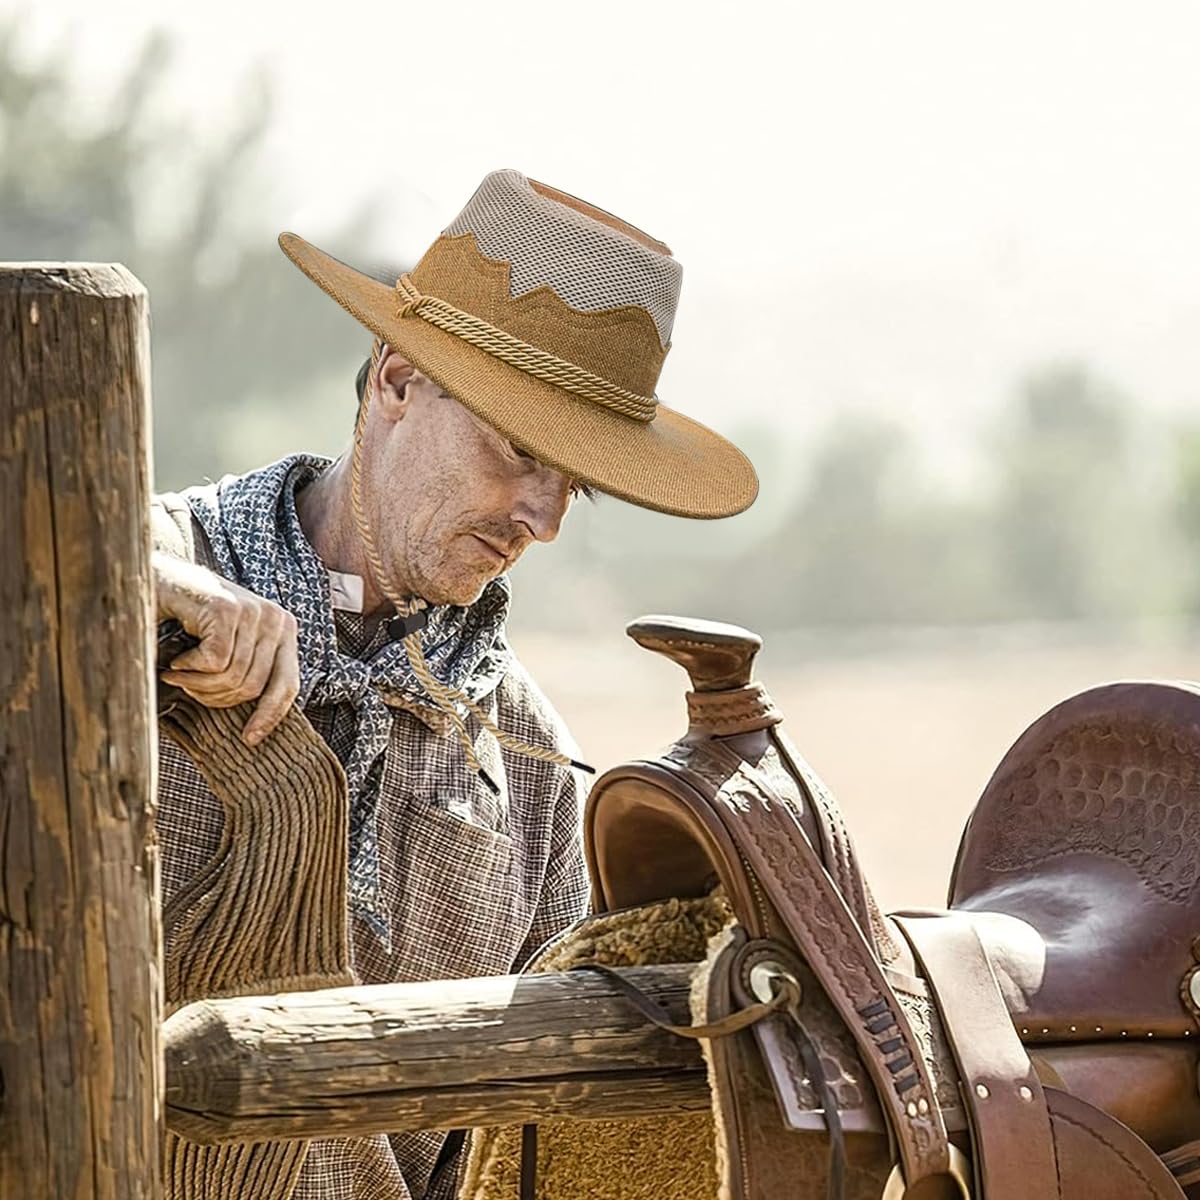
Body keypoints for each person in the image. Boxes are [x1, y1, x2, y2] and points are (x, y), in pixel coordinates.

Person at [150, 168, 758, 1200]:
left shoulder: (531, 767)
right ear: (394, 383)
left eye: (577, 485)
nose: (546, 518)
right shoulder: (123, 591)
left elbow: (501, 1159)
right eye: (519, 450)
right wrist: (142, 580)